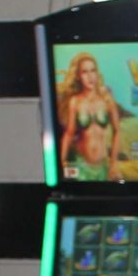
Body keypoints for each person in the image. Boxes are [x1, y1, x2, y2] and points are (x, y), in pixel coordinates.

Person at [56, 51, 122, 182]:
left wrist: (114, 163)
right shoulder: (75, 101)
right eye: (84, 72)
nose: (90, 76)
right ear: (78, 76)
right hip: (81, 166)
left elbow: (117, 131)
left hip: (103, 166)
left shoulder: (107, 100)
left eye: (93, 70)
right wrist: (61, 161)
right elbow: (69, 133)